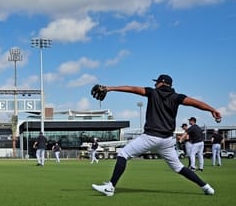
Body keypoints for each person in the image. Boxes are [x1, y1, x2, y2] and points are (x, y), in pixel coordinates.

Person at [91, 74, 221, 196]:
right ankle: (206, 187)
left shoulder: (153, 93)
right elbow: (196, 103)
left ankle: (111, 187)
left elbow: (132, 89)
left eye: (157, 82)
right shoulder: (177, 97)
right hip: (167, 141)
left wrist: (110, 88)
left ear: (162, 83)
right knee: (179, 167)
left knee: (123, 154)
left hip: (150, 137)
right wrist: (212, 110)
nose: (155, 84)